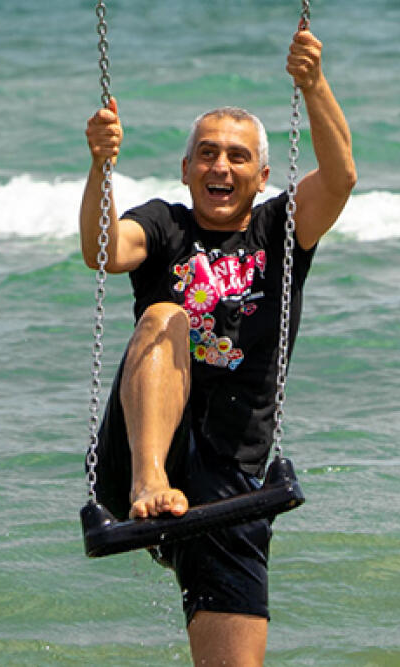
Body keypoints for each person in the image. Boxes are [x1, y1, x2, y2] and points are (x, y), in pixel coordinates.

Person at [79, 24, 354, 666]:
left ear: (260, 176)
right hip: (143, 454)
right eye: (206, 153)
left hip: (232, 476)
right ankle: (153, 480)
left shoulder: (280, 231)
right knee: (166, 316)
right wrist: (100, 167)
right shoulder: (163, 225)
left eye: (235, 156)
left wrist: (313, 84)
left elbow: (340, 177)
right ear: (185, 169)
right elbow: (101, 250)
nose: (218, 166)